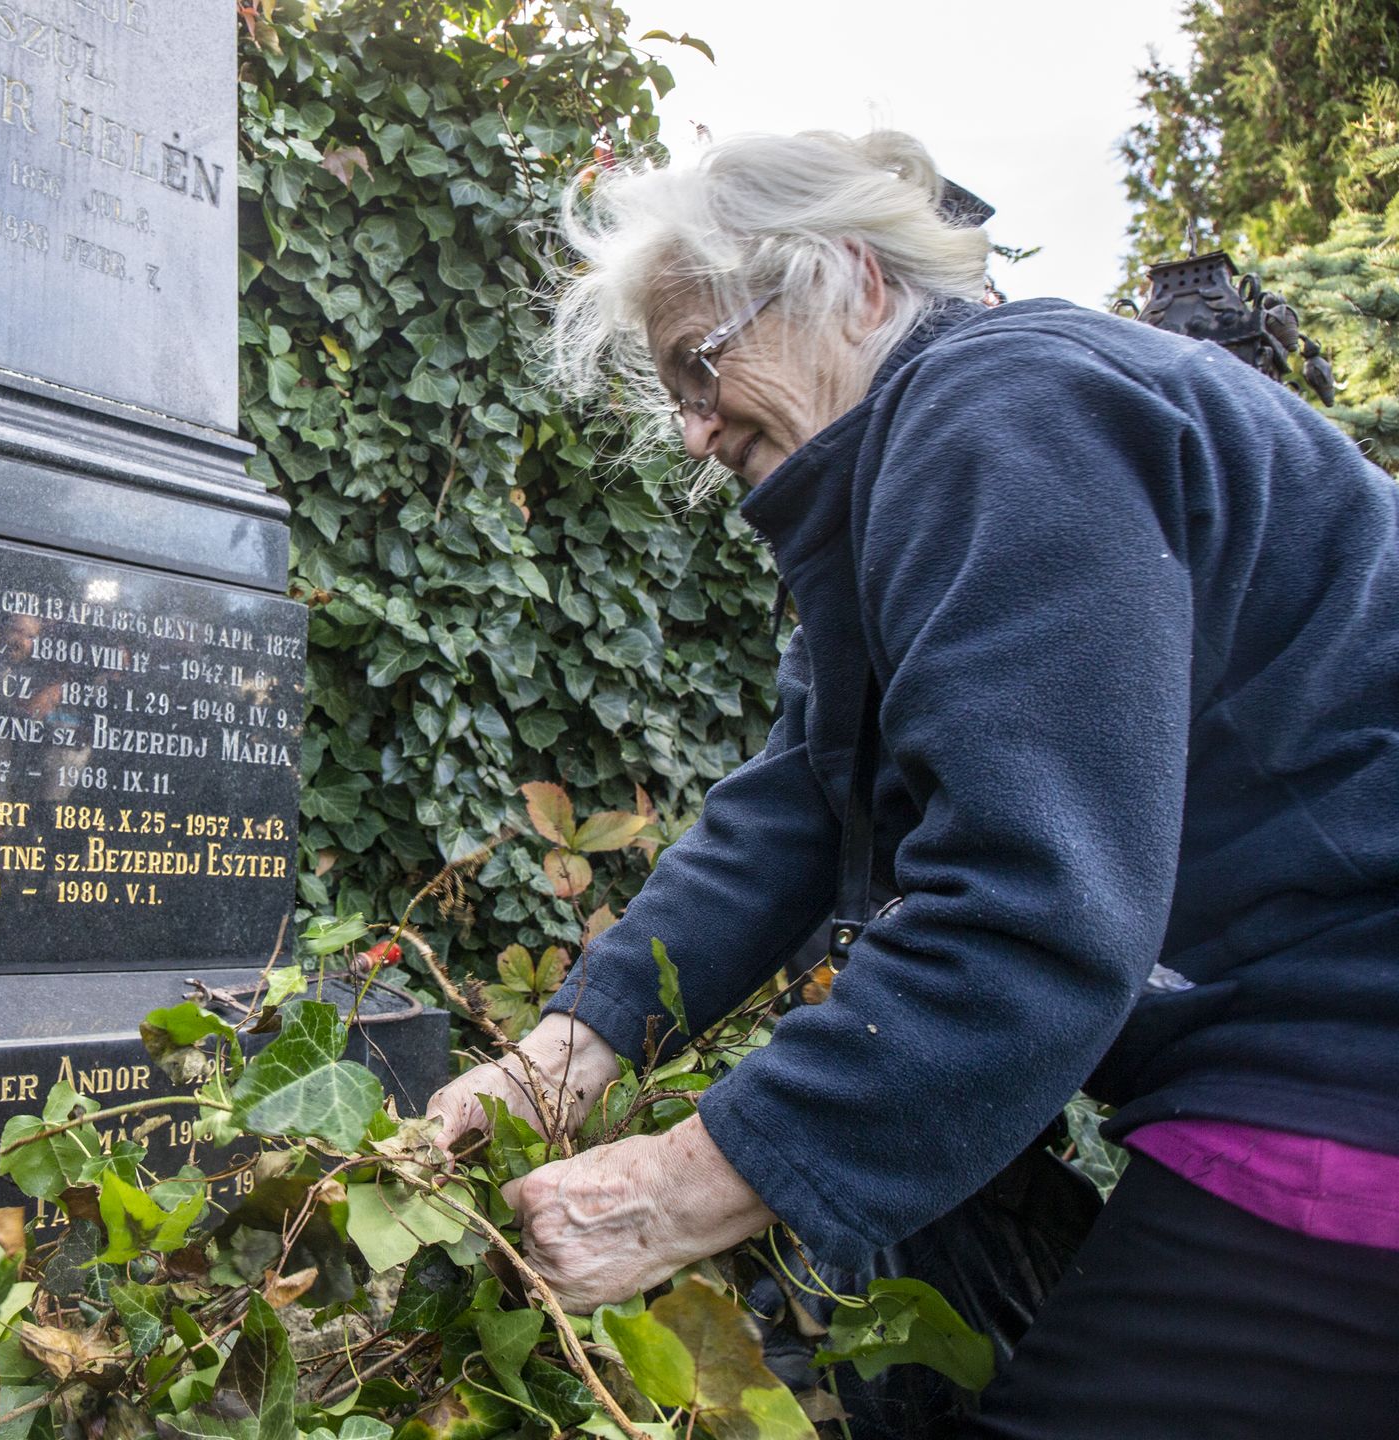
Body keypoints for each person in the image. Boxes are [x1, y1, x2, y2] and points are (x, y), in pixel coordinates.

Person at [424, 130, 1399, 1436]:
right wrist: (558, 1060)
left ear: (852, 281)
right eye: (672, 393)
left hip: (1346, 1063)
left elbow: (1031, 910)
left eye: (700, 366)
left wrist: (675, 1191)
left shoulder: (1006, 410)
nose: (693, 429)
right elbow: (786, 815)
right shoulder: (901, 490)